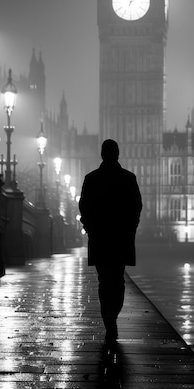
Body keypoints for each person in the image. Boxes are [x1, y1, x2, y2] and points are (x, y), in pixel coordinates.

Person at [79, 139, 142, 343]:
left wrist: (89, 228)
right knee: (118, 279)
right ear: (117, 154)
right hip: (121, 238)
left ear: (102, 154)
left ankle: (109, 320)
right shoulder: (129, 178)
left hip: (100, 238)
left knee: (104, 280)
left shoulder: (91, 178)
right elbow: (136, 207)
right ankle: (112, 316)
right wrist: (131, 228)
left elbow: (84, 207)